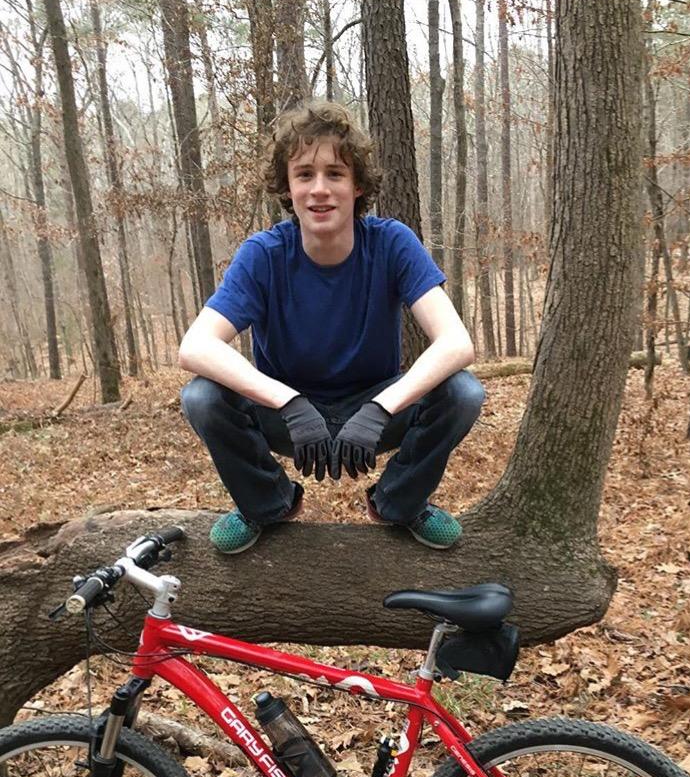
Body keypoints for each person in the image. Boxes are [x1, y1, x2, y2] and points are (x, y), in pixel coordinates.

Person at [179, 101, 484, 554]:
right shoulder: (263, 255)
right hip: (288, 416)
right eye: (304, 174)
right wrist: (290, 403)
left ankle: (400, 503)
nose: (319, 189)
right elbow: (196, 346)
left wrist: (380, 408)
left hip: (375, 410)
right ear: (287, 187)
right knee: (201, 397)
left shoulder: (390, 243)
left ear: (357, 185)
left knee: (463, 392)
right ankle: (266, 504)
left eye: (335, 174)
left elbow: (457, 342)